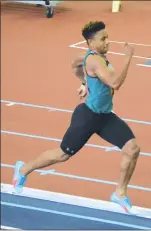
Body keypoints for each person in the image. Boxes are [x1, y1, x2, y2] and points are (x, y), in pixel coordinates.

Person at [12, 21, 140, 214]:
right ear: (90, 43)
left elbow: (74, 64)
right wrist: (128, 58)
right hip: (87, 117)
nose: (108, 42)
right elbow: (115, 83)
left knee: (132, 149)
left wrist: (84, 82)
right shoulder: (95, 60)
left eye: (107, 37)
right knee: (63, 154)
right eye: (103, 39)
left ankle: (120, 193)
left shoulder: (91, 57)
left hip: (105, 117)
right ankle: (23, 169)